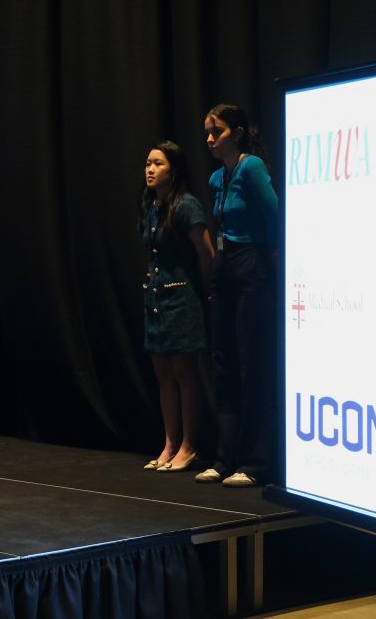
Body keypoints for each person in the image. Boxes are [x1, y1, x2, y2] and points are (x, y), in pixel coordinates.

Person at [195, 104, 278, 488]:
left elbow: (276, 217)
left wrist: (273, 268)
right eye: (208, 132)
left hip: (252, 266)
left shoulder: (251, 168)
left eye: (218, 131)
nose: (210, 139)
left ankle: (256, 461)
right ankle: (224, 458)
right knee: (223, 363)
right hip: (226, 268)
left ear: (239, 132)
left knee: (252, 363)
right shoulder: (217, 178)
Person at [137, 141, 214, 473]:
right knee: (163, 374)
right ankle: (169, 443)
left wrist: (209, 290)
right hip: (155, 298)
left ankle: (188, 445)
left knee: (184, 373)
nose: (150, 169)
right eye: (148, 163)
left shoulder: (187, 205)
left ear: (175, 170)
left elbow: (206, 253)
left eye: (158, 164)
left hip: (182, 298)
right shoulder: (151, 204)